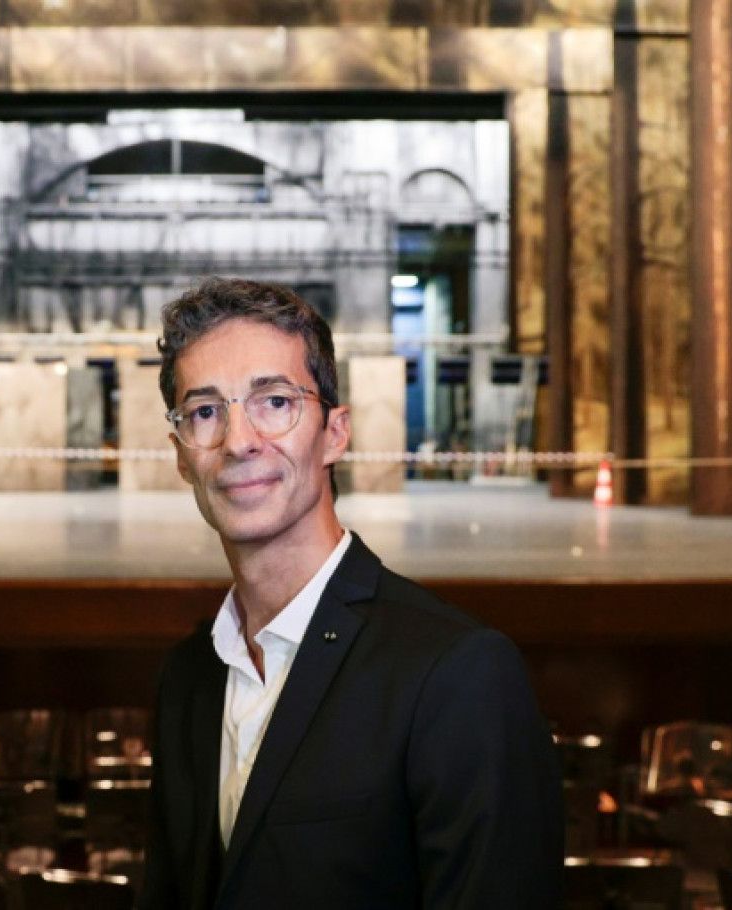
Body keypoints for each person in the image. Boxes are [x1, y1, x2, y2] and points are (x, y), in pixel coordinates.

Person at [140, 277, 562, 910]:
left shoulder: (456, 672)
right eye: (205, 412)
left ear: (335, 433)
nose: (239, 440)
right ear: (181, 456)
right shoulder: (189, 678)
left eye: (274, 402)